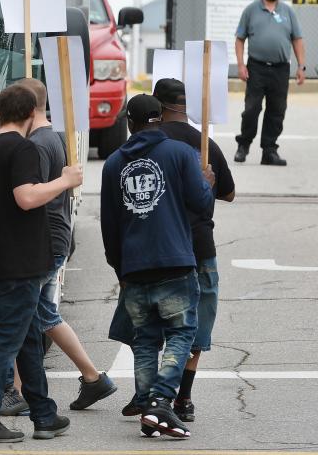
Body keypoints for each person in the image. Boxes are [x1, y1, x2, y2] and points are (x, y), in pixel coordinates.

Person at [0, 84, 83, 443]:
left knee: (27, 338)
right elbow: (26, 197)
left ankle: (44, 414)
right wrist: (64, 180)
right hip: (21, 260)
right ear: (30, 114)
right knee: (5, 341)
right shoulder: (22, 148)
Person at [100, 95, 213, 439]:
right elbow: (202, 205)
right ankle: (162, 402)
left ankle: (150, 406)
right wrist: (205, 180)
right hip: (174, 259)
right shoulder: (179, 153)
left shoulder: (113, 163)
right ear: (159, 119)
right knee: (181, 333)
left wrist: (121, 269)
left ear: (130, 123)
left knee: (146, 340)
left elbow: (109, 225)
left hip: (134, 265)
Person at [14, 78, 117, 411]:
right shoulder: (52, 137)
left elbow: (37, 195)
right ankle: (91, 378)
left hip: (46, 238)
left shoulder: (39, 144)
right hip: (54, 236)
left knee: (24, 313)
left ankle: (19, 392)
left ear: (28, 108)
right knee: (39, 314)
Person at [153, 78, 235, 422]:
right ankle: (183, 397)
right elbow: (228, 193)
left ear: (158, 107)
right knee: (197, 323)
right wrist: (204, 183)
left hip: (157, 244)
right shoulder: (204, 145)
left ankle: (152, 393)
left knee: (157, 325)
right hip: (199, 243)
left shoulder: (148, 143)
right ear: (187, 108)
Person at [234, 0, 306, 166]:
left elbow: (297, 39)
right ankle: (243, 145)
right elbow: (240, 39)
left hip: (281, 69)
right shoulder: (251, 10)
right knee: (251, 109)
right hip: (256, 67)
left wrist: (301, 66)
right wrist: (241, 65)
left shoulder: (287, 12)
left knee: (277, 110)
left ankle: (269, 151)